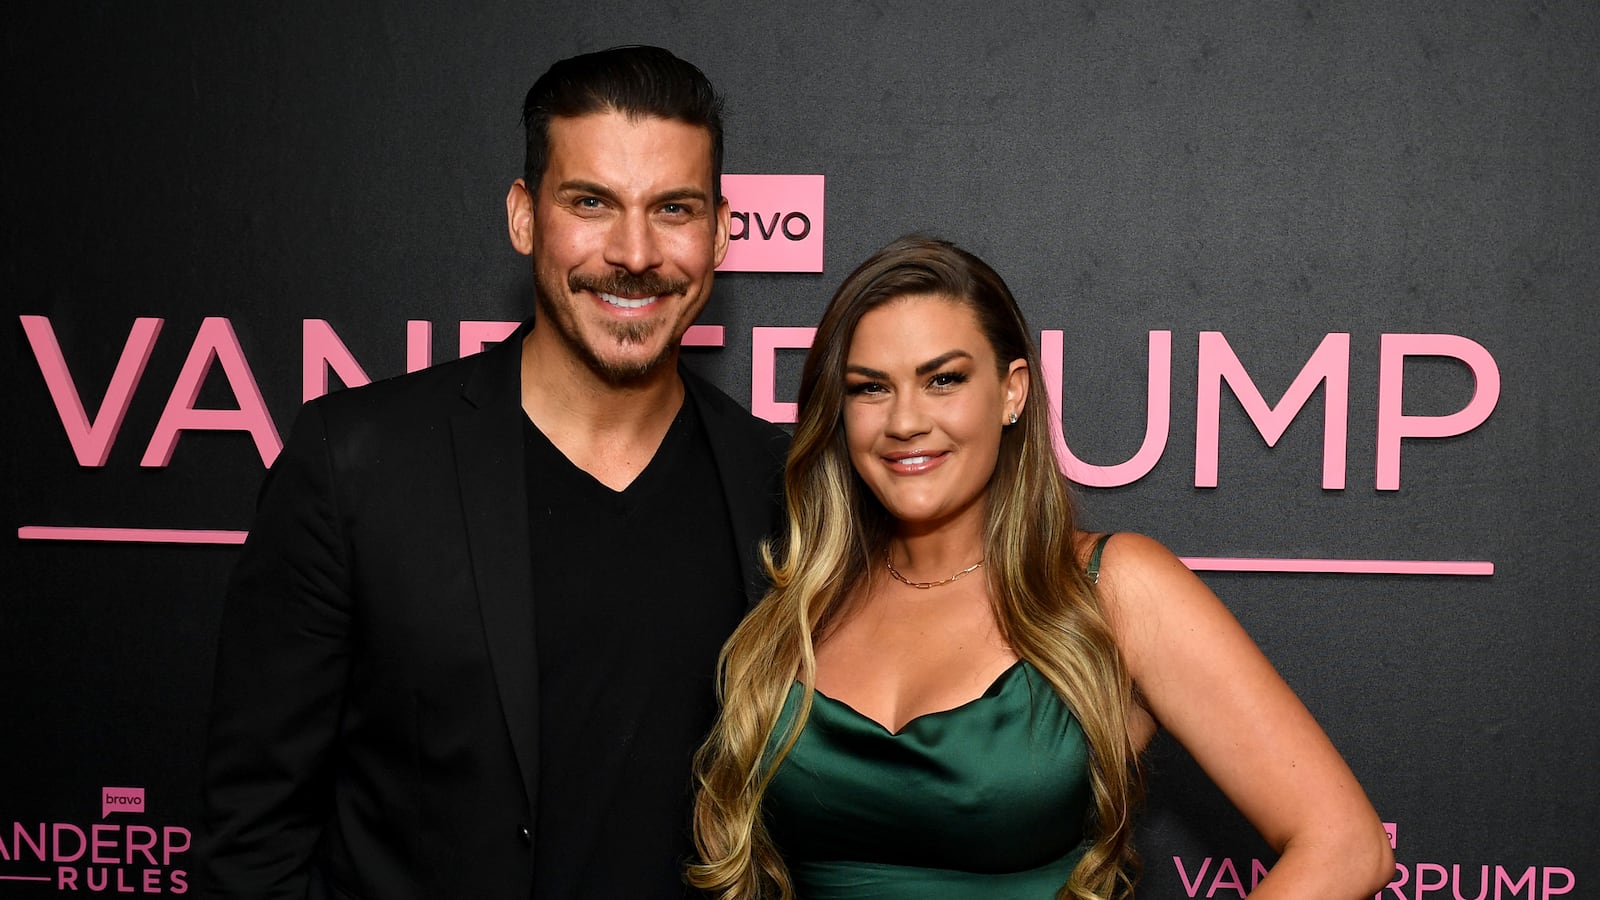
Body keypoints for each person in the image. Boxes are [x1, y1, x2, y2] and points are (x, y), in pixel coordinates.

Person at [199, 46, 788, 899]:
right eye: (591, 203)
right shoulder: (356, 465)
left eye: (673, 209)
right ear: (524, 216)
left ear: (722, 232)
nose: (634, 252)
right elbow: (252, 838)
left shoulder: (778, 484)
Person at [689, 236, 1394, 899]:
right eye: (870, 388)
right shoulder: (798, 597)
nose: (904, 421)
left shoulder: (1112, 589)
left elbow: (1346, 846)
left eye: (943, 380)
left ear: (1013, 391)